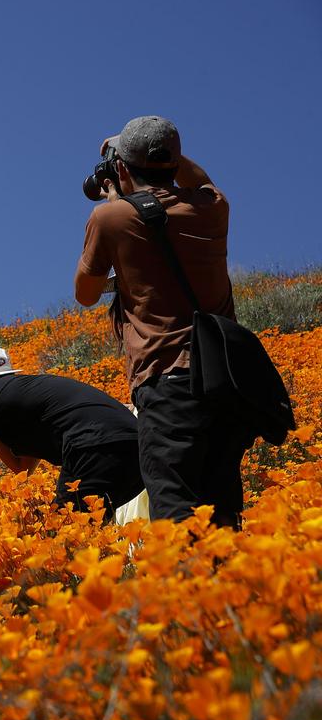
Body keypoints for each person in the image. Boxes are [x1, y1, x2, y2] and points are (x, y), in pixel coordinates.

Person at [74, 115, 249, 529]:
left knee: (175, 507)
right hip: (225, 382)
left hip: (168, 380)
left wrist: (115, 202)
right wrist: (162, 154)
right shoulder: (213, 207)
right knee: (222, 509)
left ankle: (186, 575)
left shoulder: (111, 218)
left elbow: (85, 293)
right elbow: (201, 180)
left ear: (120, 168)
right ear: (175, 160)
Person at [0, 347, 144, 519]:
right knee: (88, 527)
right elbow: (21, 468)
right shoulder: (29, 391)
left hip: (94, 447)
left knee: (68, 531)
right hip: (138, 447)